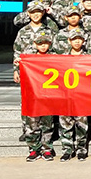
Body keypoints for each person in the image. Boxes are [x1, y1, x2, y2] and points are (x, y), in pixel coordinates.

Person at [16, 30, 55, 162]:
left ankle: (47, 149)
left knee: (47, 124)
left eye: (45, 43)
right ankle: (33, 149)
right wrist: (18, 65)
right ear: (35, 44)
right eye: (40, 43)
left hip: (48, 96)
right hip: (33, 95)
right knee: (32, 124)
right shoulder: (29, 58)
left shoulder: (54, 57)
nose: (43, 46)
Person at [58, 28, 89, 162]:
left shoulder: (89, 57)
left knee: (81, 125)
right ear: (69, 41)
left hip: (82, 95)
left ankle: (81, 150)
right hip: (66, 95)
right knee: (65, 124)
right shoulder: (62, 58)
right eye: (74, 39)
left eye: (79, 39)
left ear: (83, 41)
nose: (77, 42)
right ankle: (67, 150)